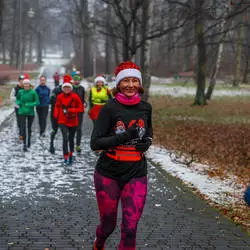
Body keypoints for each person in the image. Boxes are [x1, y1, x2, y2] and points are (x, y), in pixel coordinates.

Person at [90, 61, 153, 250]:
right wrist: (126, 136)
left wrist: (146, 143)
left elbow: (148, 132)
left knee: (130, 228)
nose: (131, 85)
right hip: (109, 172)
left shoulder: (146, 107)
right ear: (118, 84)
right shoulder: (109, 109)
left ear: (140, 85)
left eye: (135, 80)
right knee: (108, 225)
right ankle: (99, 242)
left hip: (136, 172)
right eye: (126, 81)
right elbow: (95, 143)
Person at [53, 77, 84, 165]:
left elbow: (81, 108)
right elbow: (57, 106)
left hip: (73, 121)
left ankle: (71, 155)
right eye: (65, 87)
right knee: (65, 138)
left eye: (68, 87)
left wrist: (71, 110)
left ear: (71, 88)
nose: (66, 89)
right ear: (63, 88)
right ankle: (65, 156)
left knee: (71, 139)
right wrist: (56, 114)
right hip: (62, 120)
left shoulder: (75, 97)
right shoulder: (59, 97)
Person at [16, 78, 40, 151]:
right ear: (23, 85)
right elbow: (17, 99)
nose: (26, 85)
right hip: (21, 112)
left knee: (29, 128)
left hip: (30, 112)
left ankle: (29, 141)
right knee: (23, 128)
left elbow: (37, 102)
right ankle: (24, 144)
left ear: (29, 85)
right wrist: (19, 103)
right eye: (25, 84)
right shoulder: (20, 91)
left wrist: (29, 104)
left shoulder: (33, 92)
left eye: (27, 84)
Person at [49, 79, 63, 154]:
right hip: (55, 115)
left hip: (64, 116)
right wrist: (52, 97)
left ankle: (66, 148)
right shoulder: (55, 93)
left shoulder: (69, 92)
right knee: (54, 130)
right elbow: (49, 102)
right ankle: (51, 145)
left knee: (65, 132)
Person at [72, 74, 86, 153]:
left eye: (78, 80)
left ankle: (78, 145)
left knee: (79, 128)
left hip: (80, 111)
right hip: (72, 111)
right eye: (75, 80)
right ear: (73, 81)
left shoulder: (82, 88)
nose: (76, 81)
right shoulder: (71, 88)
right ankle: (71, 143)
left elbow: (83, 99)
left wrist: (84, 103)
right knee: (72, 128)